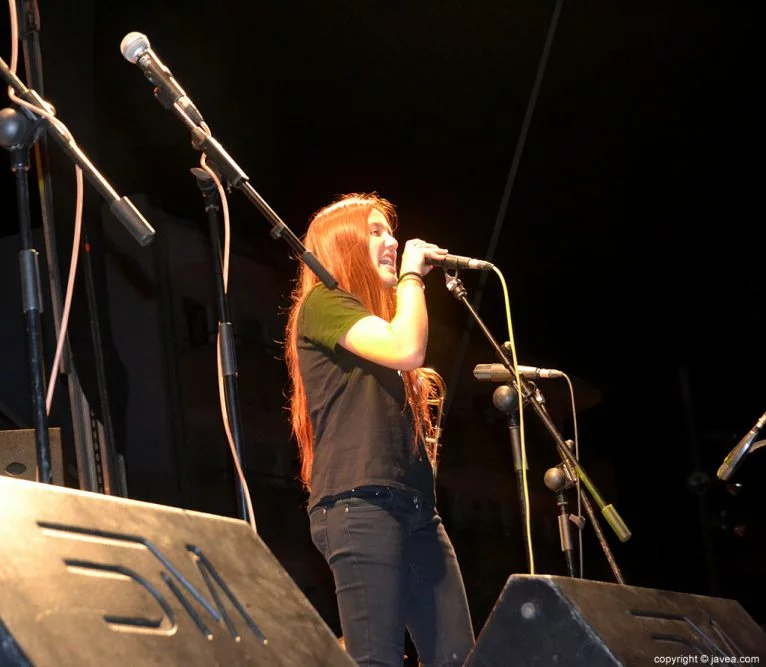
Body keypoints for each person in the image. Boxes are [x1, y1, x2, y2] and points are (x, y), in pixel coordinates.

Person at [285, 193, 475, 667]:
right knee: (377, 659)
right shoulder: (322, 304)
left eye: (389, 231)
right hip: (358, 504)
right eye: (374, 233)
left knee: (461, 658)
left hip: (418, 512)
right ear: (344, 246)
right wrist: (412, 277)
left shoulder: (374, 325)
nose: (392, 241)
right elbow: (407, 348)